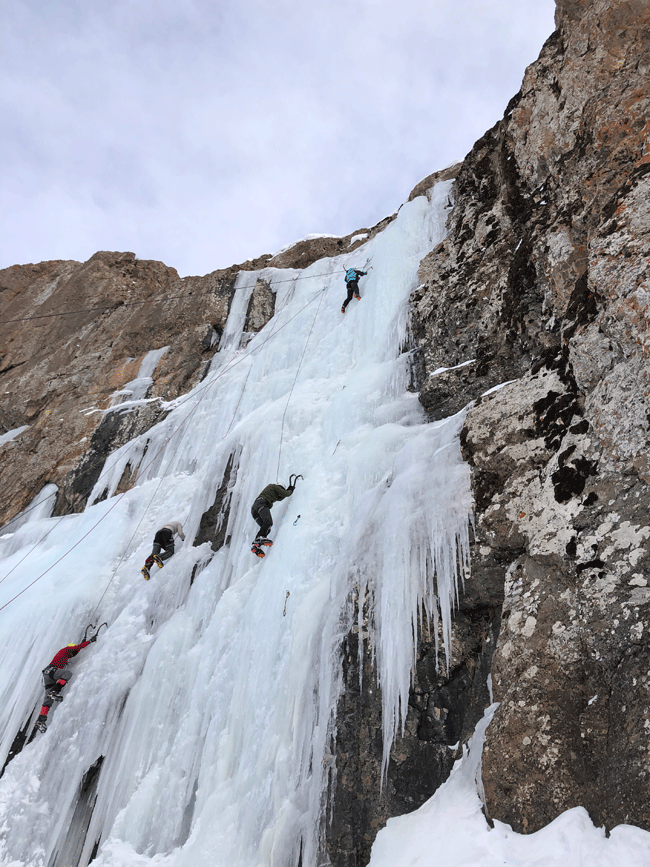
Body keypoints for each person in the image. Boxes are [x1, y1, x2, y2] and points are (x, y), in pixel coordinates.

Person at [34, 637, 98, 733]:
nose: (72, 655)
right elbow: (77, 648)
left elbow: (76, 650)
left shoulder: (64, 654)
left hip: (47, 675)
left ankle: (40, 720)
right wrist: (90, 641)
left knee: (48, 700)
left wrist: (80, 645)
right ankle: (55, 691)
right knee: (67, 674)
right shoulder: (67, 649)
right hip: (52, 671)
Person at [250, 477, 300, 557]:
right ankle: (259, 539)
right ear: (280, 487)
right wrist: (290, 490)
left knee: (267, 528)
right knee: (268, 521)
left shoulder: (272, 491)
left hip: (254, 510)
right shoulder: (274, 486)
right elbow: (285, 494)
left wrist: (288, 490)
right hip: (261, 504)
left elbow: (281, 497)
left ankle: (256, 546)